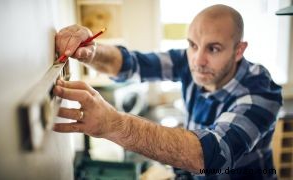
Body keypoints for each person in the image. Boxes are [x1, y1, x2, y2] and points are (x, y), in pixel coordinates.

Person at [54, 4, 282, 179]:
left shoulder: (261, 91)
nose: (198, 60)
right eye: (192, 45)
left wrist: (114, 124)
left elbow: (210, 155)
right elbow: (130, 63)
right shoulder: (190, 60)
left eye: (214, 48)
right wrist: (92, 51)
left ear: (239, 50)